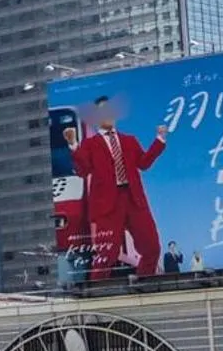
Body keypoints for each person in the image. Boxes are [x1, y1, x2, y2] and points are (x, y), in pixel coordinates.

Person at [64, 97, 170, 280]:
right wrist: (73, 145)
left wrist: (159, 140)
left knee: (152, 247)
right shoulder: (90, 145)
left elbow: (144, 163)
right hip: (107, 205)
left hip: (134, 200)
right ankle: (96, 291)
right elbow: (83, 170)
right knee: (107, 255)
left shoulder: (129, 140)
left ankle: (144, 285)